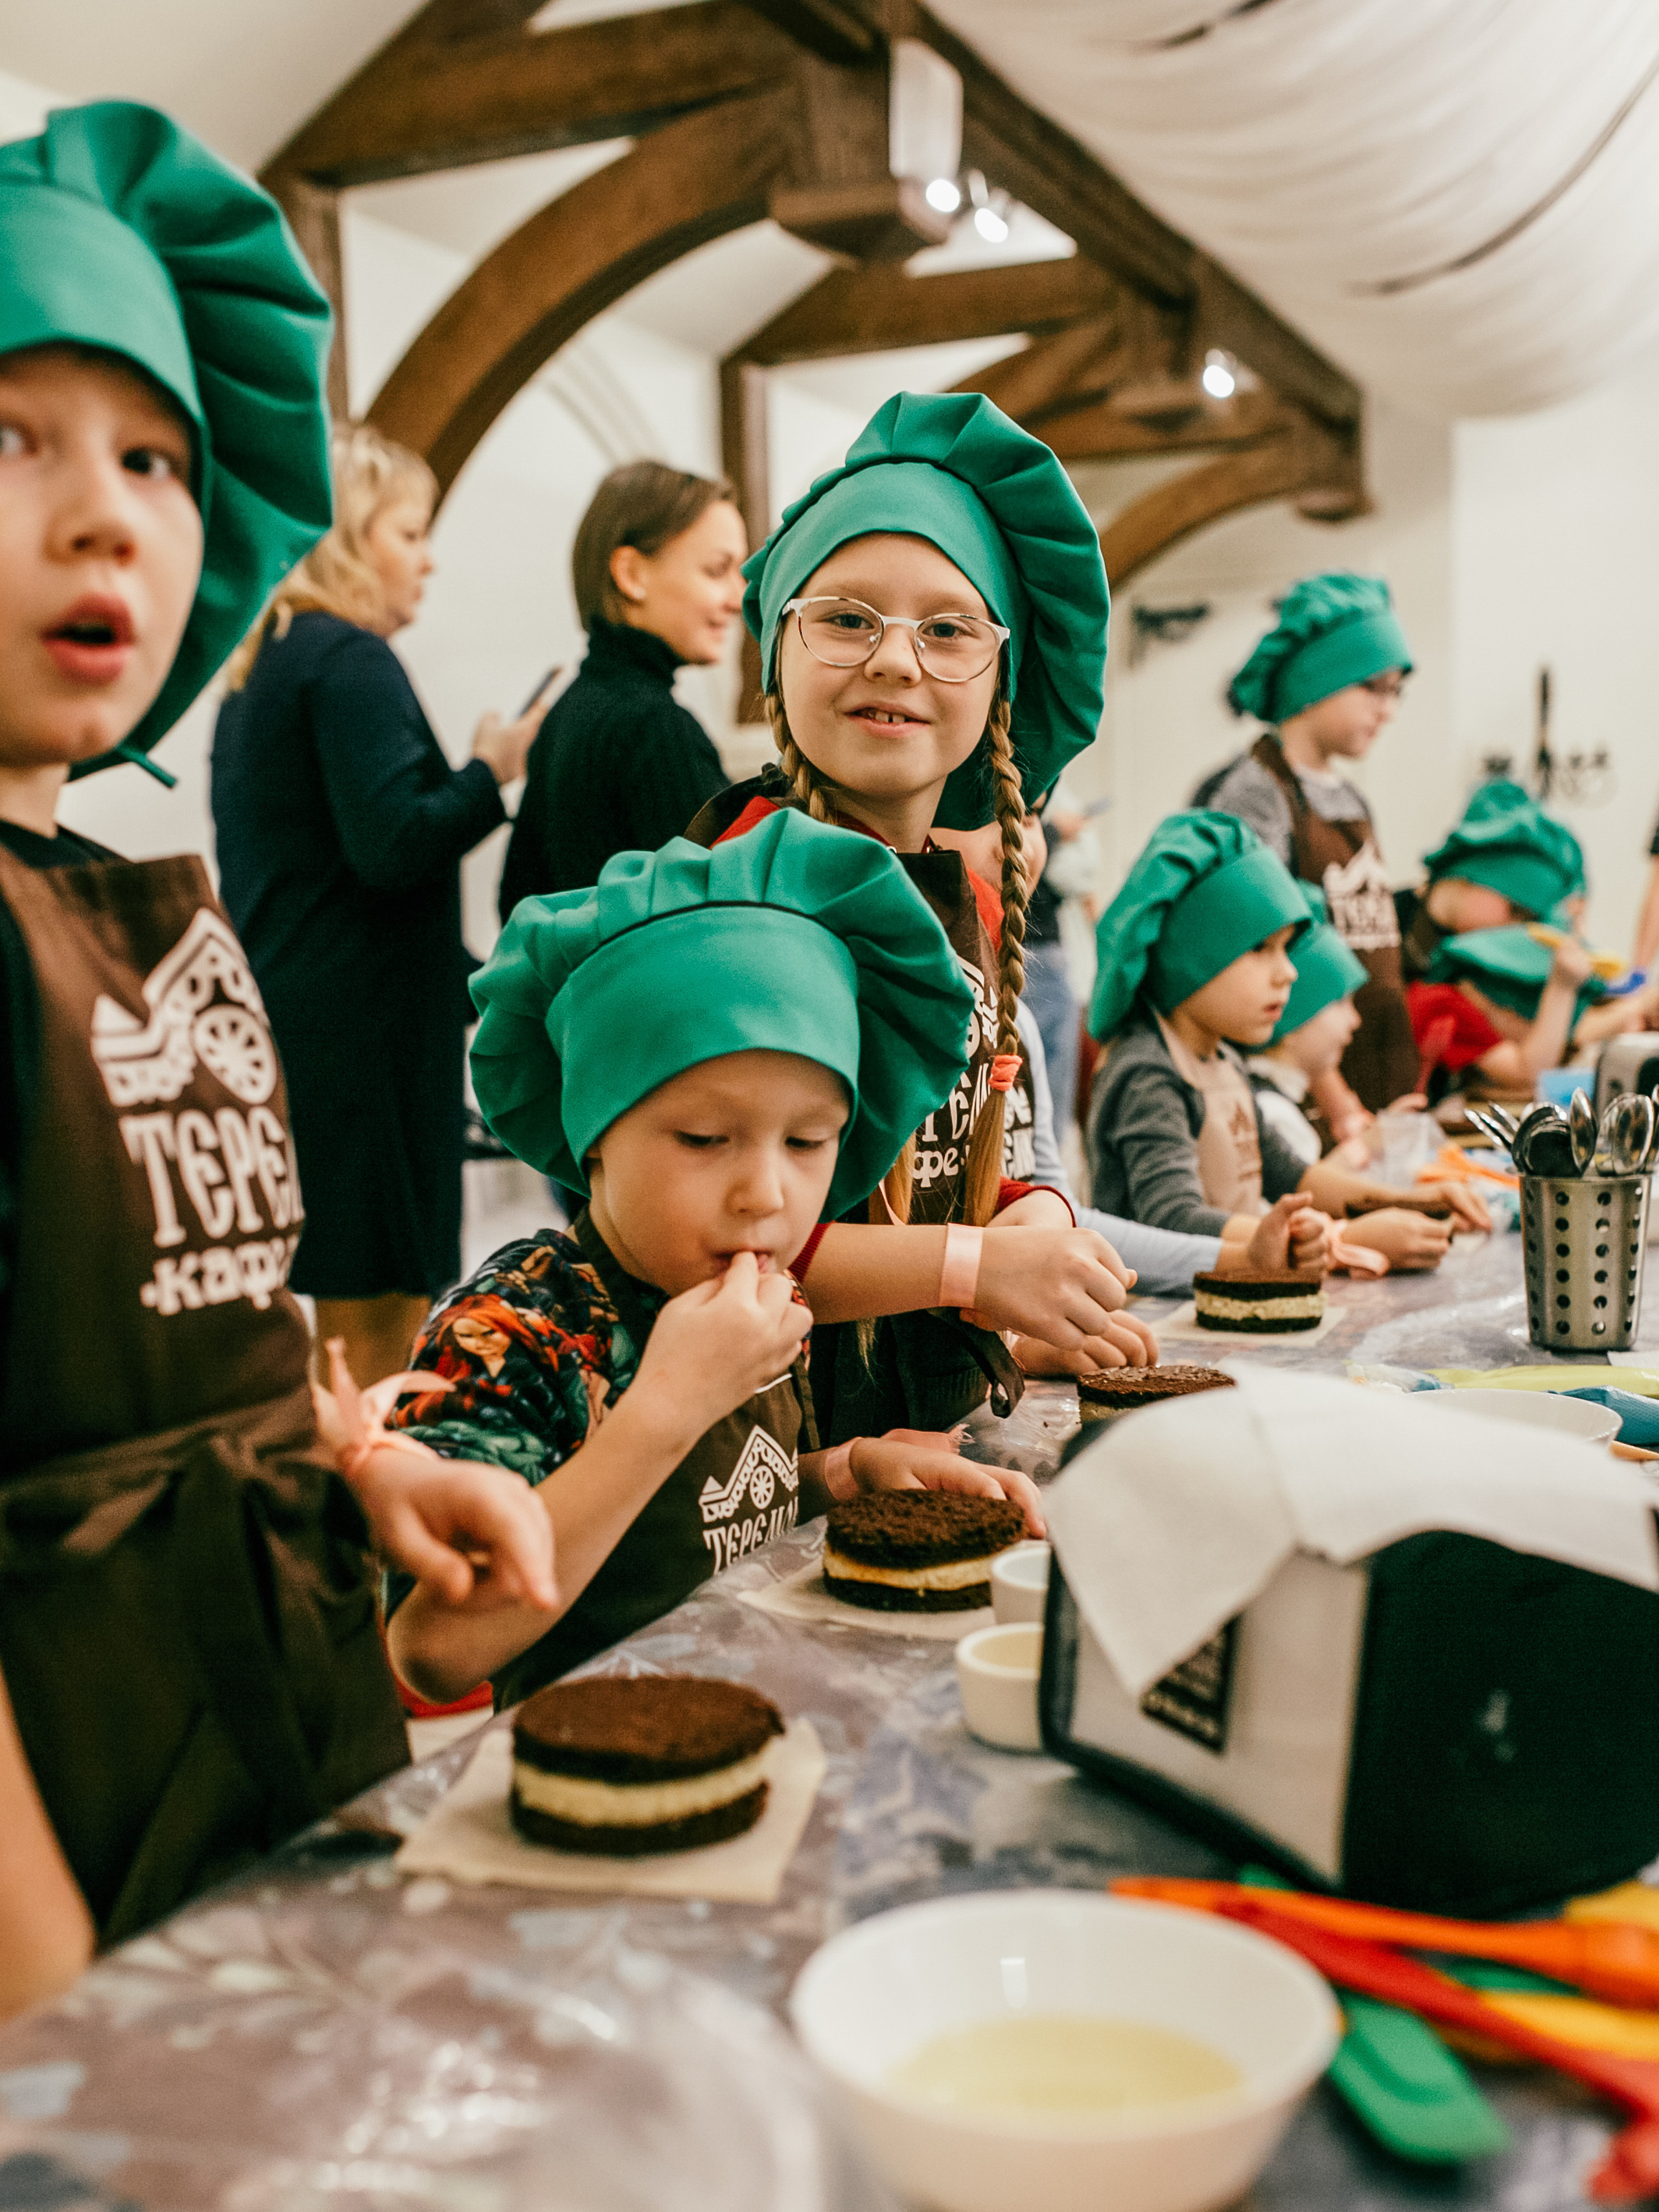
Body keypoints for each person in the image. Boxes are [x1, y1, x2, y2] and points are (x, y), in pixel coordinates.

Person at [0, 102, 553, 2011]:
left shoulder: (119, 897)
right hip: (65, 1852)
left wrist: (346, 1478)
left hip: (255, 1738)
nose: (104, 510)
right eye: (15, 441)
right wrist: (40, 1992)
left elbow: (183, 1335)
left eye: (154, 454)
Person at [384, 811, 1043, 1706]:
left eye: (810, 1141)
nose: (766, 1193)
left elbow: (728, 1513)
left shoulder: (762, 1294)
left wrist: (847, 1473)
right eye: (703, 1137)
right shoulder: (514, 1331)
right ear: (594, 1133)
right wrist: (667, 1406)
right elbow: (434, 1644)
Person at [686, 391, 1160, 1432]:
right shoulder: (729, 908)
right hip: (769, 1464)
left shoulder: (969, 901)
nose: (897, 659)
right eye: (847, 618)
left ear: (1000, 681)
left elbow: (982, 1166)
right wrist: (976, 1267)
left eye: (948, 629)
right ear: (777, 648)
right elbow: (719, 1254)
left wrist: (1038, 1226)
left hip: (923, 1438)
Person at [213, 425, 552, 1388]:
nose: (428, 558)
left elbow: (332, 873)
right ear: (350, 538)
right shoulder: (347, 659)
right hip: (363, 1045)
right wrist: (492, 770)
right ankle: (365, 1528)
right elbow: (393, 844)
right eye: (409, 533)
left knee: (339, 1314)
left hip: (306, 1024)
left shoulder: (272, 663)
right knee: (380, 1319)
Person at [1086, 814, 1486, 1255]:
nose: (1289, 972)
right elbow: (1173, 1219)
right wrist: (1341, 1240)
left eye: (1285, 948)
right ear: (1191, 959)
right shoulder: (1148, 1072)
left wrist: (1414, 1202)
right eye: (1261, 949)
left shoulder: (1222, 1058)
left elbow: (1294, 1176)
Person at [1198, 573, 1418, 1121]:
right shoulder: (1257, 792)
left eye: (1396, 692)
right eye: (1372, 688)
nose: (1387, 710)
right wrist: (1333, 1097)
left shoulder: (1351, 798)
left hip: (1375, 1067)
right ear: (1314, 682)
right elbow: (1264, 947)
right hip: (1306, 1093)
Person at [497, 461, 743, 919]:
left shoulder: (570, 708)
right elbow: (726, 917)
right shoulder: (655, 729)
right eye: (716, 570)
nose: (738, 596)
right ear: (631, 574)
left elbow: (518, 906)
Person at [1246, 887, 1469, 1270]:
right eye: (1339, 1003)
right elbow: (1299, 1204)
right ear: (1293, 1016)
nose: (1355, 1020)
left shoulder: (1281, 1096)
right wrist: (1369, 1143)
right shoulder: (1271, 1110)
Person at [1398, 780, 1594, 1097]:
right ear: (1478, 874)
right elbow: (1527, 1071)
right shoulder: (1383, 924)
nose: (1514, 930)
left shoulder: (1466, 966)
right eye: (1515, 911)